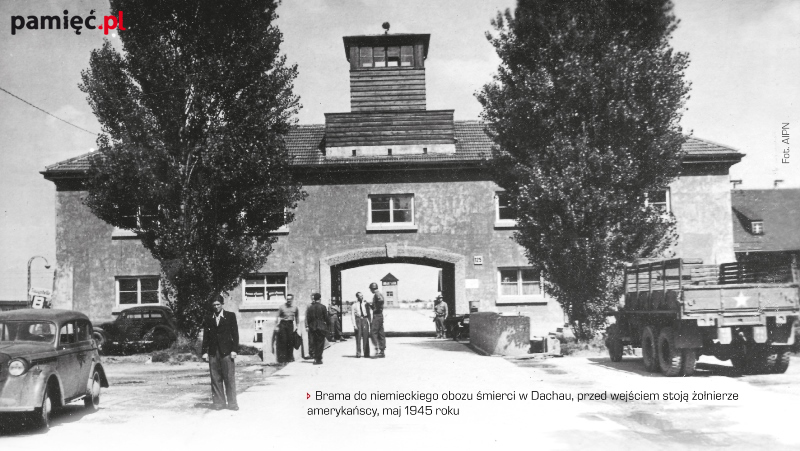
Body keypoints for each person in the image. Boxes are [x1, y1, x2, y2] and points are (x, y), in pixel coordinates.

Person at [201, 295, 239, 410]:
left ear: (222, 304)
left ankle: (232, 404)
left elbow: (235, 334)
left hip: (227, 352)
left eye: (218, 304)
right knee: (215, 378)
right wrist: (204, 351)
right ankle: (219, 403)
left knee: (229, 378)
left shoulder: (230, 316)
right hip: (213, 352)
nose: (216, 307)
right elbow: (206, 336)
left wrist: (234, 350)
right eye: (214, 305)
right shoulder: (208, 318)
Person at [305, 293, 330, 364]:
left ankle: (315, 358)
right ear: (320, 299)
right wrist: (328, 325)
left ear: (314, 299)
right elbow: (326, 318)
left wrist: (309, 326)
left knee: (314, 343)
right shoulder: (323, 307)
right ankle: (319, 359)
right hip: (321, 327)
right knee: (320, 343)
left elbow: (308, 318)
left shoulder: (310, 307)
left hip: (313, 327)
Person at [274, 294, 299, 363]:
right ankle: (283, 358)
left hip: (290, 325)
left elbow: (297, 317)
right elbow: (277, 316)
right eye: (287, 299)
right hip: (283, 324)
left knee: (290, 341)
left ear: (292, 299)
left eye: (290, 299)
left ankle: (290, 357)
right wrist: (276, 326)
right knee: (283, 341)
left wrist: (297, 325)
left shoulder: (295, 307)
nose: (288, 300)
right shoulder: (282, 307)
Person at [350, 292, 371, 358]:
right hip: (358, 320)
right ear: (357, 297)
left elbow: (369, 314)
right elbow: (353, 315)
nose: (362, 297)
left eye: (362, 296)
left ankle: (366, 353)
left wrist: (370, 322)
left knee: (366, 337)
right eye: (360, 296)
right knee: (358, 337)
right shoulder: (354, 305)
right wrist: (354, 325)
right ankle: (358, 353)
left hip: (364, 320)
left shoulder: (366, 304)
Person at [367, 282, 386, 358]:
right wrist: (371, 305)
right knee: (380, 333)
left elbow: (380, 300)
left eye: (370, 289)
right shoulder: (378, 294)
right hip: (380, 315)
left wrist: (376, 308)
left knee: (373, 332)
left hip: (377, 315)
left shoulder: (377, 294)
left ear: (372, 288)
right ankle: (382, 351)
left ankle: (377, 348)